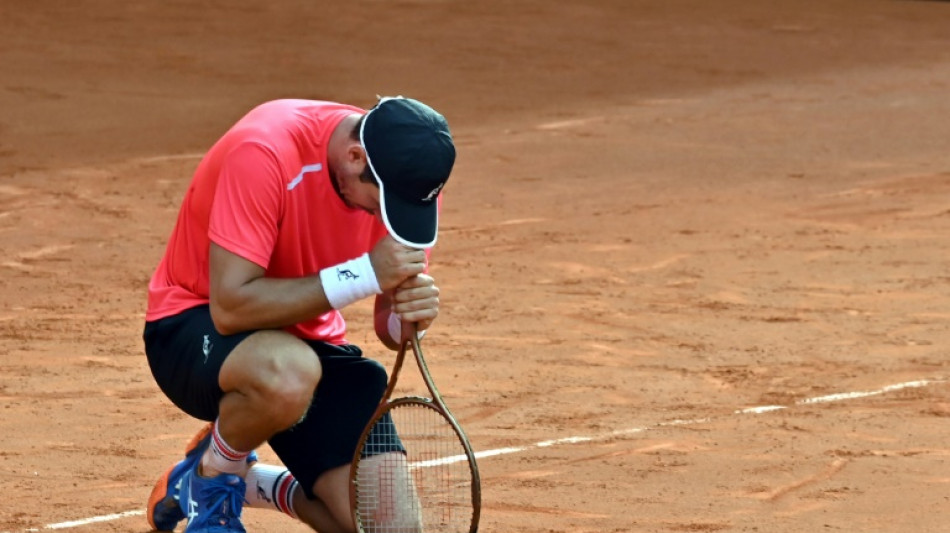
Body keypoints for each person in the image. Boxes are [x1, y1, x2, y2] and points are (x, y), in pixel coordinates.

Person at [142, 96, 456, 532]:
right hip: (195, 327)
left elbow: (390, 325)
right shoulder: (264, 152)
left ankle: (245, 481)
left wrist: (408, 319)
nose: (387, 216)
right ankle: (215, 477)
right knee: (289, 371)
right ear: (354, 157)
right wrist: (365, 273)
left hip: (311, 347)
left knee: (390, 529)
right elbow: (231, 307)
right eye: (380, 200)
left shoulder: (406, 186)